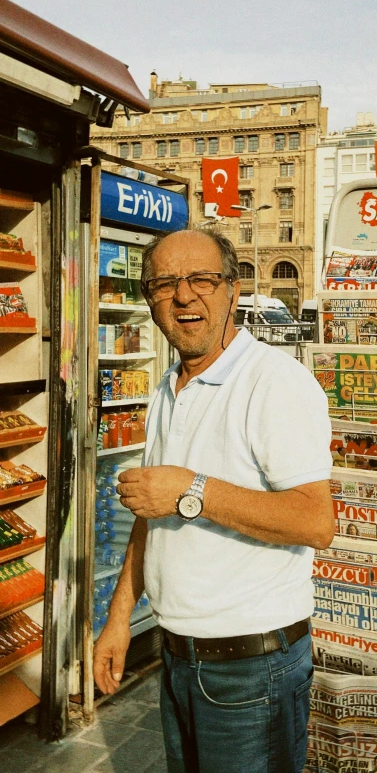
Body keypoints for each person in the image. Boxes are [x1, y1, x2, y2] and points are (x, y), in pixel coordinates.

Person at [93, 228, 334, 773]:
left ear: (232, 290)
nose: (183, 296)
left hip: (253, 668)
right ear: (149, 300)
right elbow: (151, 515)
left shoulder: (274, 383)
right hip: (179, 657)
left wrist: (189, 489)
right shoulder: (167, 387)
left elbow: (316, 521)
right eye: (164, 284)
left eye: (201, 279)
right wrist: (117, 619)